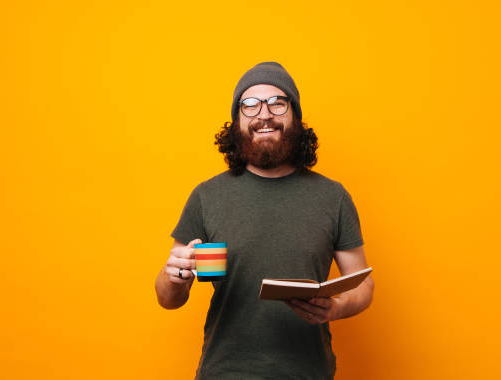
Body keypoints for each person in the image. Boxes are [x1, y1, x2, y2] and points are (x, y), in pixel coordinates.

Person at [155, 62, 375, 379]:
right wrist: (174, 276)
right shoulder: (207, 197)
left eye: (277, 103)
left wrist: (336, 307)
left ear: (294, 117)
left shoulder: (333, 197)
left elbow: (363, 283)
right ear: (237, 123)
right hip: (225, 372)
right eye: (250, 105)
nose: (264, 114)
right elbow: (168, 298)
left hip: (308, 372)